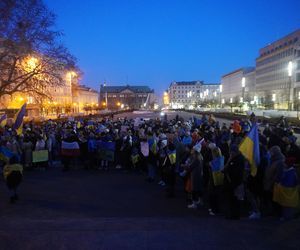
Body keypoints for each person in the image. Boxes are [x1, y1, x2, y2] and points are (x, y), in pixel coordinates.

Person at [223, 144, 245, 219]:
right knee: (231, 199)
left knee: (236, 200)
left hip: (236, 182)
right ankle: (231, 213)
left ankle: (235, 215)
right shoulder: (232, 158)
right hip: (230, 182)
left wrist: (228, 170)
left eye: (231, 152)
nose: (230, 153)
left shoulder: (240, 159)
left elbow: (236, 172)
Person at [208, 146, 224, 216]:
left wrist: (210, 164)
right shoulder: (222, 159)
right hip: (219, 179)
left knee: (213, 195)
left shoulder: (216, 161)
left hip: (215, 179)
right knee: (217, 195)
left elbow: (214, 169)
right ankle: (216, 208)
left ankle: (214, 209)